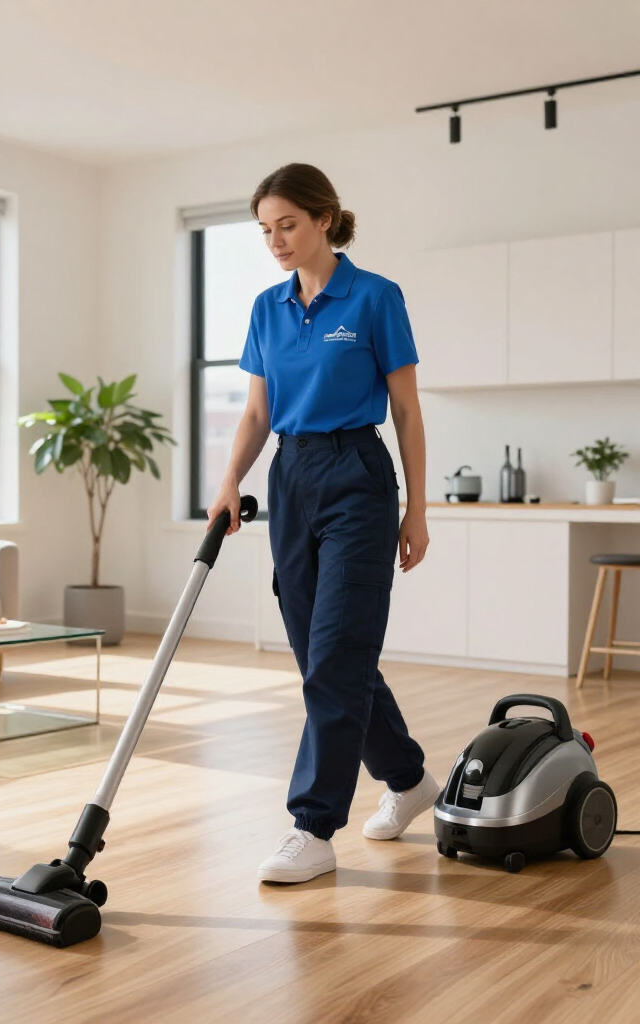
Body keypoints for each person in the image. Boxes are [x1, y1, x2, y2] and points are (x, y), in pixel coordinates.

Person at [207, 163, 439, 884]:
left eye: (288, 225)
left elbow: (406, 410)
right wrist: (229, 480)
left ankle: (312, 827)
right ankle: (409, 781)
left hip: (357, 477)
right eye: (265, 229)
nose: (276, 240)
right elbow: (257, 412)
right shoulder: (267, 308)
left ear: (324, 219)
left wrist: (417, 508)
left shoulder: (374, 297)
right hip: (291, 477)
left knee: (338, 652)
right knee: (324, 655)